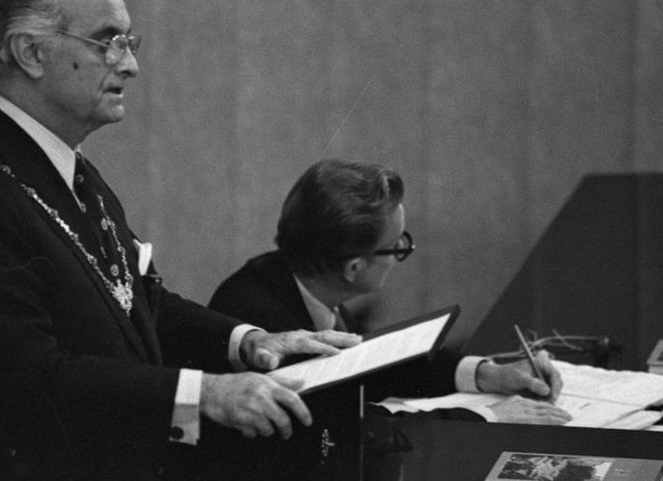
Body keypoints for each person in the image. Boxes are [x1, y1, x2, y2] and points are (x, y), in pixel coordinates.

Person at [0, 0, 359, 480]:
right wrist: (203, 393)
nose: (129, 66)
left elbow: (140, 305)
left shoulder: (73, 172)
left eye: (129, 44)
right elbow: (29, 380)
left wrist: (249, 342)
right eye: (108, 43)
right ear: (32, 52)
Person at [208, 159, 573, 424]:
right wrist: (489, 416)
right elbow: (361, 425)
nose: (401, 253)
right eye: (397, 245)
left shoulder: (303, 277)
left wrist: (489, 374)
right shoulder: (264, 322)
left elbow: (372, 367)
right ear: (354, 268)